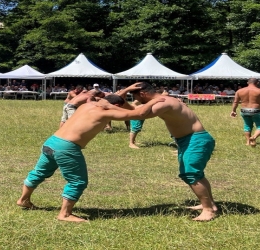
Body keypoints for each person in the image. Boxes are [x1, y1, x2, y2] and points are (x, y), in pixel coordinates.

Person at [17, 94, 166, 222]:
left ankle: (23, 200)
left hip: (52, 141)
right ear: (114, 105)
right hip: (67, 147)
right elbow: (139, 114)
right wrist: (153, 101)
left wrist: (110, 101)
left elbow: (114, 104)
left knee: (39, 172)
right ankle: (65, 214)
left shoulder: (87, 106)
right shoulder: (106, 113)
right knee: (77, 181)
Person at [118, 82, 217, 221]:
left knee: (190, 174)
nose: (137, 100)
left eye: (136, 97)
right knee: (196, 174)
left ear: (142, 93)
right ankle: (208, 204)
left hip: (196, 140)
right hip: (188, 140)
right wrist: (126, 92)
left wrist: (124, 91)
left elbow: (138, 114)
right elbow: (131, 109)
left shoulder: (163, 102)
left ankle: (209, 210)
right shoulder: (163, 100)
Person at [231, 78, 260, 146]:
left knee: (247, 125)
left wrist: (233, 111)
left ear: (248, 83)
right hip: (256, 110)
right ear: (258, 83)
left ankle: (248, 142)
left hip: (244, 110)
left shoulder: (239, 91)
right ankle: (253, 137)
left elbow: (235, 102)